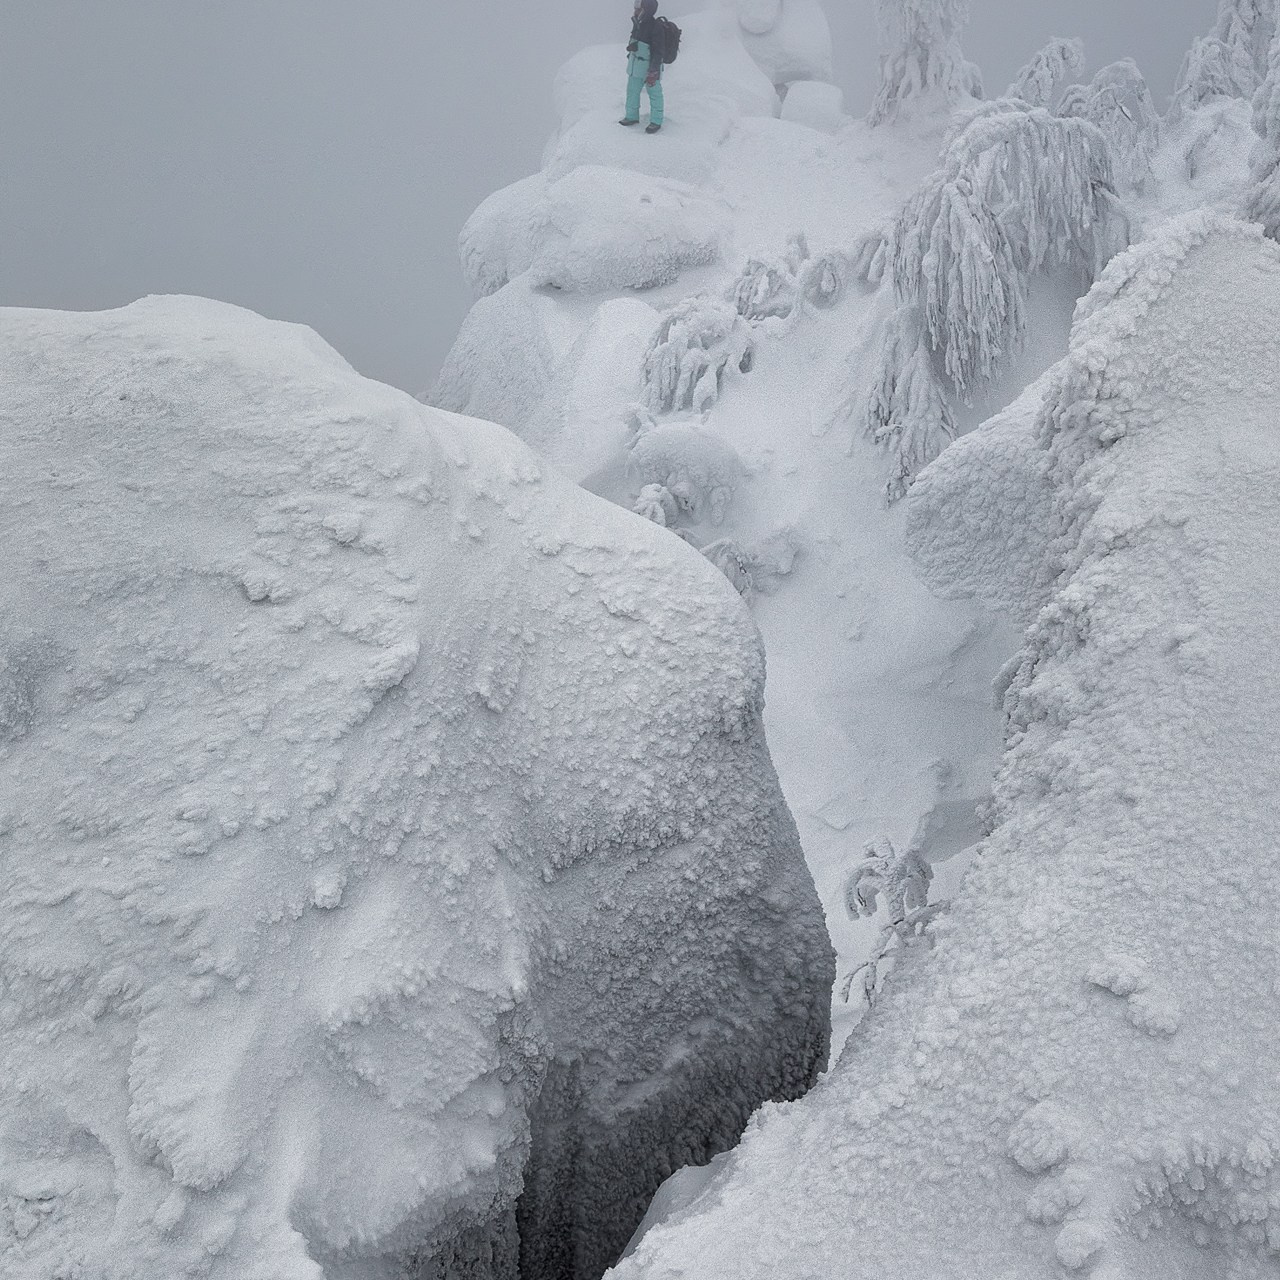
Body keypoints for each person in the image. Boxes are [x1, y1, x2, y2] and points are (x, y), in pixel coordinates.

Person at [620, 0, 665, 134]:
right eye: (635, 8)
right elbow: (635, 40)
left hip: (650, 68)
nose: (635, 10)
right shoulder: (637, 23)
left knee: (655, 94)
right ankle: (631, 116)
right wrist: (632, 48)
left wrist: (653, 71)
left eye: (638, 8)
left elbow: (658, 51)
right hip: (635, 66)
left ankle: (656, 121)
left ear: (647, 10)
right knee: (632, 91)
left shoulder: (656, 26)